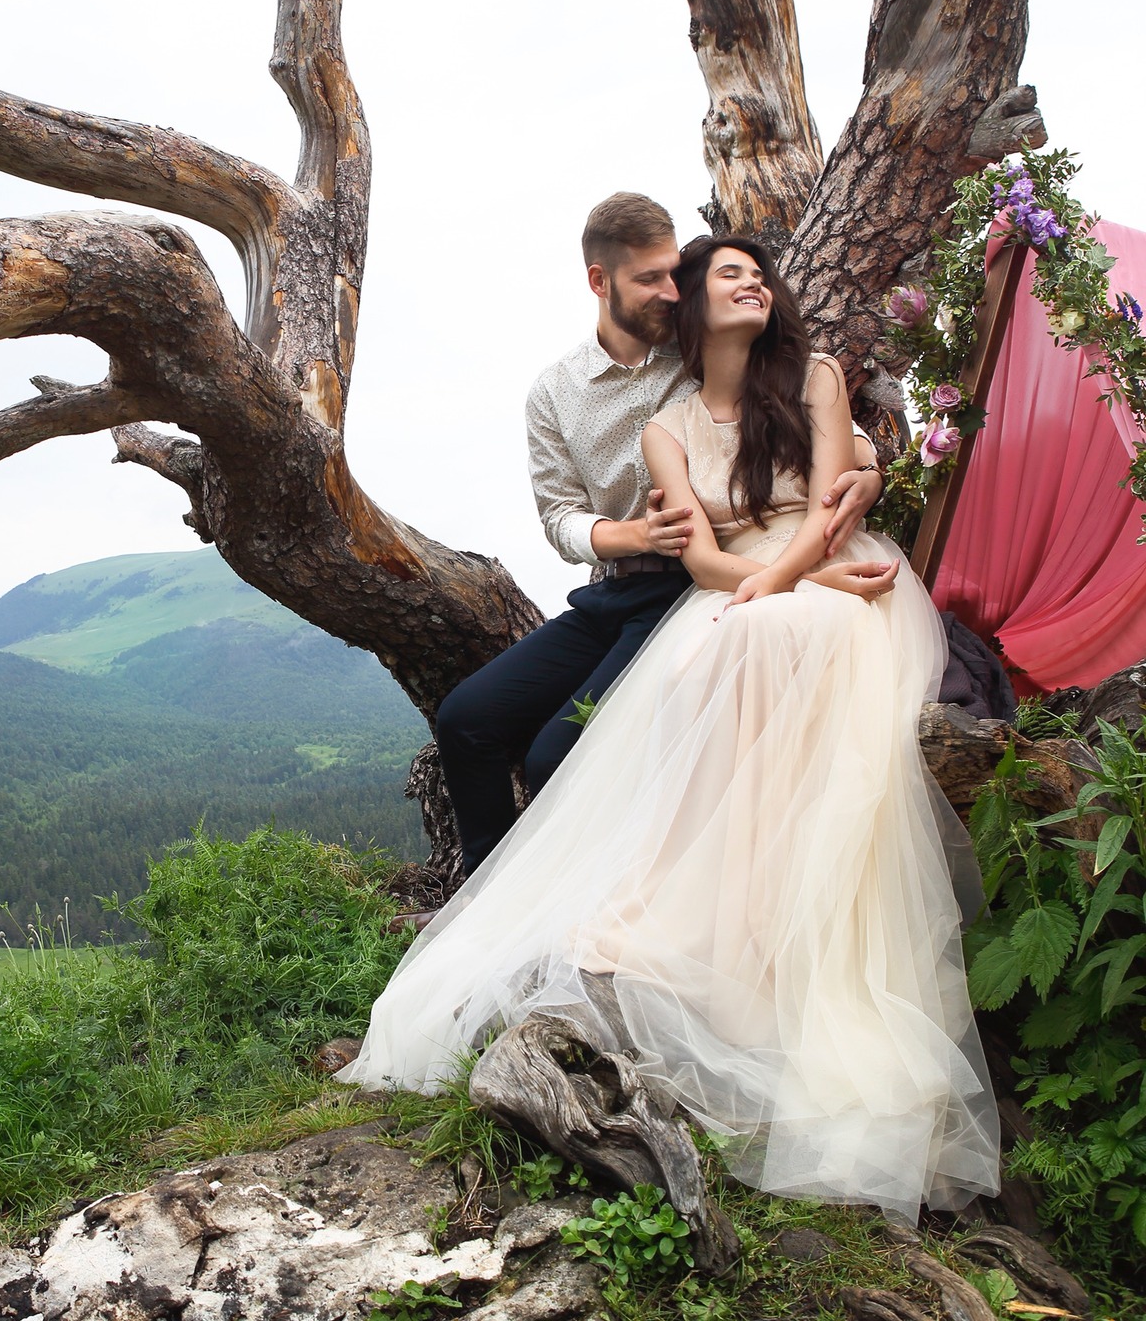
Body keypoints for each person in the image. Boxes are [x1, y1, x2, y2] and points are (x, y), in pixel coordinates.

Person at [341, 236, 1000, 1220]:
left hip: (840, 573)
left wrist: (788, 577)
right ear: (690, 308)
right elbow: (700, 564)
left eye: (758, 273)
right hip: (747, 589)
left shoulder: (813, 378)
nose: (752, 282)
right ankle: (707, 912)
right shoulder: (670, 430)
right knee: (708, 652)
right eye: (727, 274)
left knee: (762, 637)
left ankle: (782, 926)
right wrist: (772, 582)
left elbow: (828, 510)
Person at [433, 194, 884, 885]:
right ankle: (486, 897)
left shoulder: (699, 341)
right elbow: (558, 516)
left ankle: (583, 895)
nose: (670, 292)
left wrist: (868, 463)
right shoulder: (555, 393)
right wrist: (630, 533)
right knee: (466, 719)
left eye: (675, 274)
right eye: (649, 279)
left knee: (566, 749)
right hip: (617, 588)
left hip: (693, 586)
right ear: (598, 281)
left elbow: (787, 409)